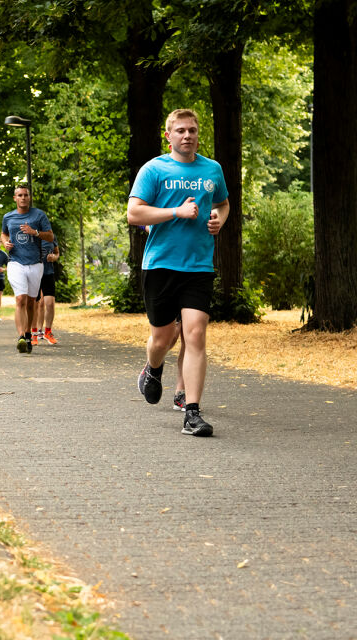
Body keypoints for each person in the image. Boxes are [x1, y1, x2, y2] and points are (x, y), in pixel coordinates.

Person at [127, 108, 230, 437]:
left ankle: (192, 412)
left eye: (193, 130)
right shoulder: (154, 169)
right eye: (181, 130)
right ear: (168, 135)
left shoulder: (212, 169)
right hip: (160, 264)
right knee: (163, 338)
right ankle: (153, 369)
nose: (187, 135)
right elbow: (134, 212)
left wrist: (218, 218)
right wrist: (177, 211)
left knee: (196, 333)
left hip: (199, 265)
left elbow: (224, 203)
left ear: (199, 134)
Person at [1, 185, 54, 353]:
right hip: (16, 263)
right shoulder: (8, 217)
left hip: (35, 264)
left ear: (29, 197)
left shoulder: (39, 215)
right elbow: (3, 234)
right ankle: (21, 337)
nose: (23, 198)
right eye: (20, 195)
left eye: (25, 195)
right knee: (20, 299)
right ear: (15, 198)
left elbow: (50, 236)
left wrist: (35, 232)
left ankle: (29, 335)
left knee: (31, 303)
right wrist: (5, 242)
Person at [32, 233, 59, 345]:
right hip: (34, 273)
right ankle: (34, 333)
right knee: (36, 304)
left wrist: (54, 257)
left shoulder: (52, 236)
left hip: (48, 273)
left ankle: (48, 332)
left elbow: (57, 253)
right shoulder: (32, 235)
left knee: (50, 303)